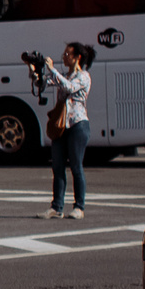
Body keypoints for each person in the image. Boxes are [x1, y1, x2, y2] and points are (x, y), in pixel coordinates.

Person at [40, 41, 94, 220]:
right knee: (57, 166)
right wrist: (35, 71)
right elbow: (43, 84)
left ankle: (79, 207)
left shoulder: (84, 76)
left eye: (67, 54)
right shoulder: (64, 76)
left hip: (78, 125)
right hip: (61, 126)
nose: (64, 56)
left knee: (76, 166)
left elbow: (69, 87)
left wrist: (52, 69)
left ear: (77, 57)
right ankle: (56, 207)